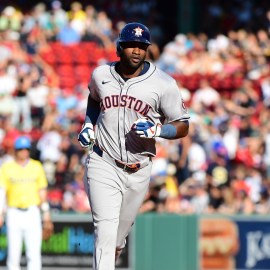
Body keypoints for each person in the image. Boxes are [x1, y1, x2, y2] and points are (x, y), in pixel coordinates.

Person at [77, 22, 190, 270]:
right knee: (104, 234)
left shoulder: (163, 83)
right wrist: (88, 124)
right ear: (120, 48)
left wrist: (160, 130)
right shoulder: (101, 74)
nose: (137, 51)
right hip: (103, 161)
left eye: (141, 46)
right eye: (131, 45)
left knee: (117, 239)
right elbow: (94, 98)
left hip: (140, 168)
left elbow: (183, 125)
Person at [0, 135, 51, 270]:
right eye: (21, 149)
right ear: (15, 150)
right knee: (13, 255)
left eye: (26, 149)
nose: (24, 152)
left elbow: (42, 192)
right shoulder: (7, 167)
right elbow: (2, 192)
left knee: (33, 254)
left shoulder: (36, 166)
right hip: (13, 212)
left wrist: (46, 214)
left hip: (32, 212)